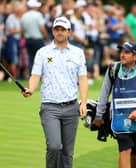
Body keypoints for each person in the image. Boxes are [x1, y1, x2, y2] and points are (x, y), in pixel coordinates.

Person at [22, 16, 88, 168]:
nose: (59, 32)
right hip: (50, 107)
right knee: (54, 146)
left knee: (67, 152)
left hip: (71, 107)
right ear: (52, 31)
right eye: (57, 29)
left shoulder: (78, 53)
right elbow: (35, 75)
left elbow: (83, 79)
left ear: (69, 32)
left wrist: (83, 102)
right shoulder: (43, 52)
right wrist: (31, 89)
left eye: (63, 29)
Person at [93, 41, 136, 168]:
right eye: (121, 52)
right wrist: (99, 115)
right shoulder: (113, 69)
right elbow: (104, 94)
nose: (122, 55)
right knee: (125, 150)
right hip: (119, 119)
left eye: (127, 52)